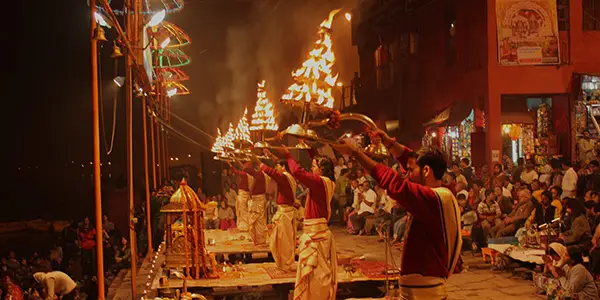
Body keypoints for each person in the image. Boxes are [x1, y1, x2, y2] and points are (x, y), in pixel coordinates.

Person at [332, 130, 461, 299]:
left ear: (427, 171)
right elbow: (412, 161)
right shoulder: (439, 192)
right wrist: (389, 143)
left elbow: (393, 182)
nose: (406, 174)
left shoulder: (433, 198)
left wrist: (356, 153)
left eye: (410, 170)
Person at [279, 146, 337, 300]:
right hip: (315, 232)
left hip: (316, 235)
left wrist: (288, 155)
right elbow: (315, 160)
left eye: (314, 166)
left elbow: (298, 172)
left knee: (317, 273)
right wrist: (309, 147)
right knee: (312, 271)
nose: (311, 169)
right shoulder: (327, 181)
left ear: (322, 169)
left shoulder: (320, 183)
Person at [257, 153, 298, 271]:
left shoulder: (285, 177)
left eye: (278, 166)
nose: (276, 168)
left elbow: (274, 174)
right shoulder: (287, 177)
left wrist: (261, 165)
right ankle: (282, 263)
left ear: (284, 167)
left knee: (283, 241)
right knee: (277, 241)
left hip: (285, 214)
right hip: (283, 212)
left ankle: (285, 265)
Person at [230, 162, 253, 231]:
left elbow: (236, 172)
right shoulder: (251, 176)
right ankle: (247, 226)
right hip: (247, 196)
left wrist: (229, 164)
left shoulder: (245, 175)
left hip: (243, 196)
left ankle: (244, 227)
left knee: (243, 212)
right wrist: (237, 160)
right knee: (245, 212)